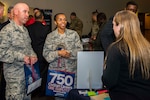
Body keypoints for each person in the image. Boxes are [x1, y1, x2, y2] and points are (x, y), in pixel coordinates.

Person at [102, 10, 150, 100]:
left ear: (121, 26)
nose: (113, 28)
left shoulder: (116, 48)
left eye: (114, 25)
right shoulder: (147, 48)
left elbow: (109, 80)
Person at [0, 2, 37, 100]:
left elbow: (29, 47)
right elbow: (1, 53)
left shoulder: (25, 30)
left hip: (27, 76)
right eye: (24, 11)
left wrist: (33, 56)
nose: (27, 15)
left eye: (28, 12)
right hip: (15, 80)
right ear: (15, 12)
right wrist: (22, 57)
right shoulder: (6, 31)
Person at [43, 13, 83, 100]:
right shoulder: (50, 37)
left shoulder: (74, 34)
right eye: (60, 19)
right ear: (55, 22)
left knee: (73, 96)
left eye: (64, 19)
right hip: (57, 75)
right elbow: (46, 55)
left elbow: (80, 51)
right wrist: (58, 53)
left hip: (71, 73)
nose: (63, 22)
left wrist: (69, 54)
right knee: (59, 98)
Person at [27, 10, 50, 97]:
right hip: (42, 56)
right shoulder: (46, 28)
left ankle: (33, 92)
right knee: (43, 75)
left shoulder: (29, 28)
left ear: (34, 18)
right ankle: (42, 93)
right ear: (43, 18)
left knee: (32, 75)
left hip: (31, 56)